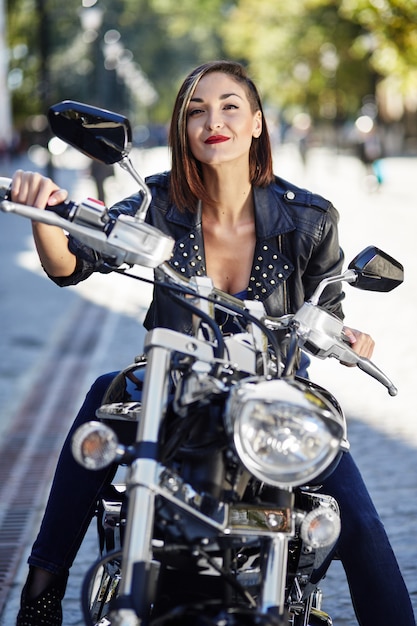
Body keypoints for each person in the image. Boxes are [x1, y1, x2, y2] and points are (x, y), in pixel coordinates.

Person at [11, 61, 415, 626]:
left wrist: (346, 336)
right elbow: (72, 265)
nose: (212, 120)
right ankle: (41, 590)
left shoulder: (310, 218)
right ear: (182, 130)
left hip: (274, 405)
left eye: (229, 106)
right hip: (175, 392)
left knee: (363, 522)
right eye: (195, 110)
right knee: (103, 399)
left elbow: (325, 312)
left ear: (255, 123)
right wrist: (42, 212)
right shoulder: (158, 206)